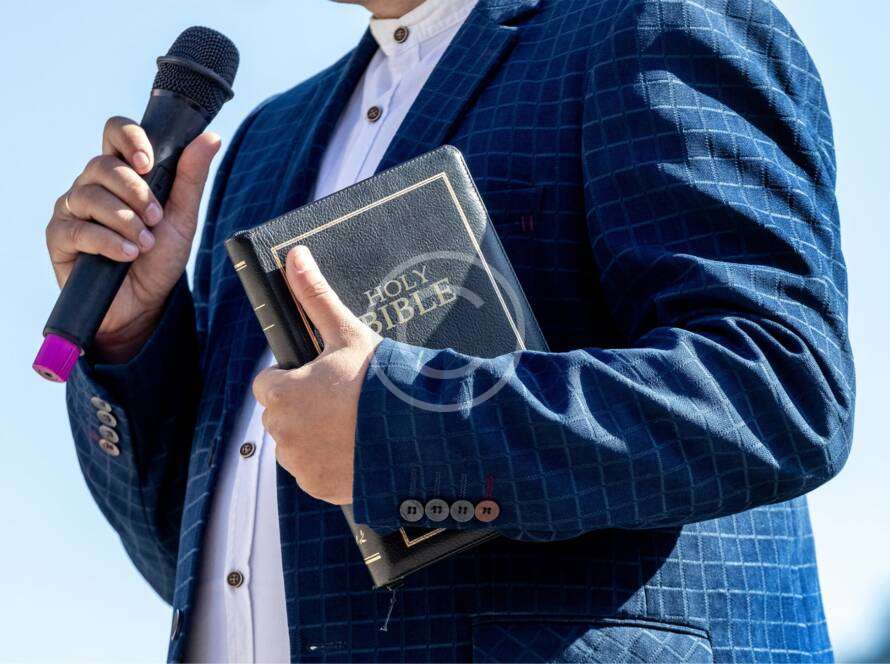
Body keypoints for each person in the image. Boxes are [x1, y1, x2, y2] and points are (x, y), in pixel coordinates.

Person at [46, 0, 855, 661]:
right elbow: (206, 567)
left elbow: (780, 388)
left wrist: (398, 425)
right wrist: (132, 334)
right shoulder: (266, 142)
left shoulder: (653, 21)